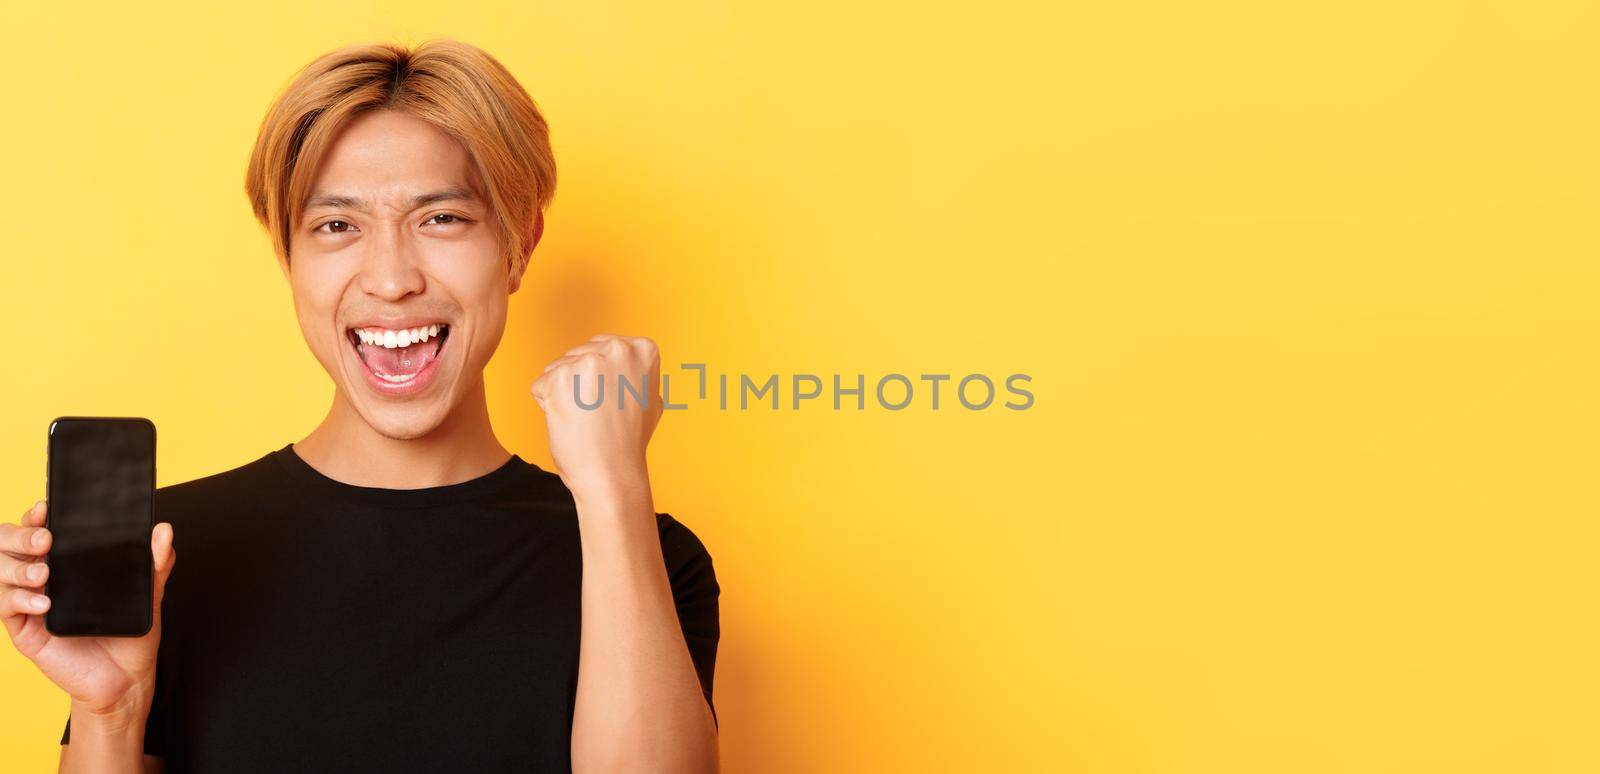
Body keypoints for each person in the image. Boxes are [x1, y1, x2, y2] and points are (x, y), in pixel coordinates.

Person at [0, 38, 720, 773]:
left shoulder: (648, 557)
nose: (390, 278)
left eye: (441, 218)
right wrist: (109, 715)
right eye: (337, 226)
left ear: (520, 248)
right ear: (289, 259)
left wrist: (612, 489)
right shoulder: (163, 561)